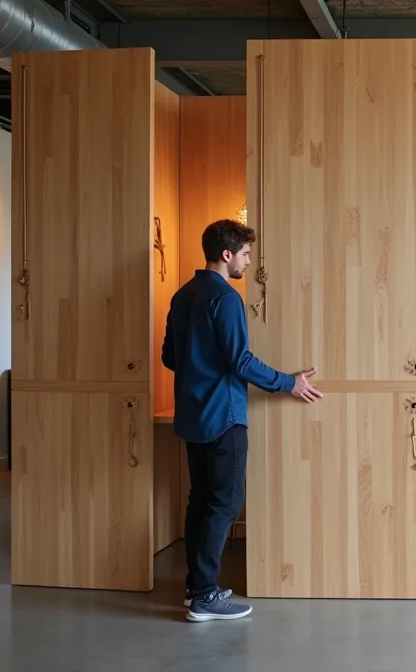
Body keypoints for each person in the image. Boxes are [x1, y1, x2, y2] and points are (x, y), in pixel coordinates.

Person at [162, 219, 323, 622]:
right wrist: (288, 382)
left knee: (201, 502)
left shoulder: (182, 296)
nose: (248, 262)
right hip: (223, 416)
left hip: (193, 416)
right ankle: (203, 595)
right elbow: (241, 361)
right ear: (227, 254)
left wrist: (199, 365)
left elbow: (169, 357)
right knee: (225, 503)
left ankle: (195, 588)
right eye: (246, 254)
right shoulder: (226, 298)